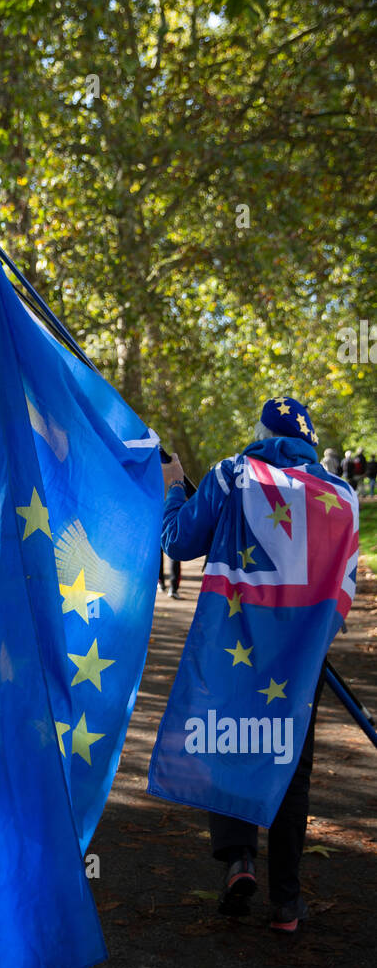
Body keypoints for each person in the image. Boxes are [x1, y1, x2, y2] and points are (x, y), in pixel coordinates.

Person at [158, 397, 358, 933]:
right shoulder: (342, 495)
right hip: (299, 656)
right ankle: (287, 904)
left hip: (234, 644)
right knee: (291, 764)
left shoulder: (230, 475)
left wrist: (175, 487)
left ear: (263, 432)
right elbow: (344, 590)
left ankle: (239, 859)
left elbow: (177, 542)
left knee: (231, 741)